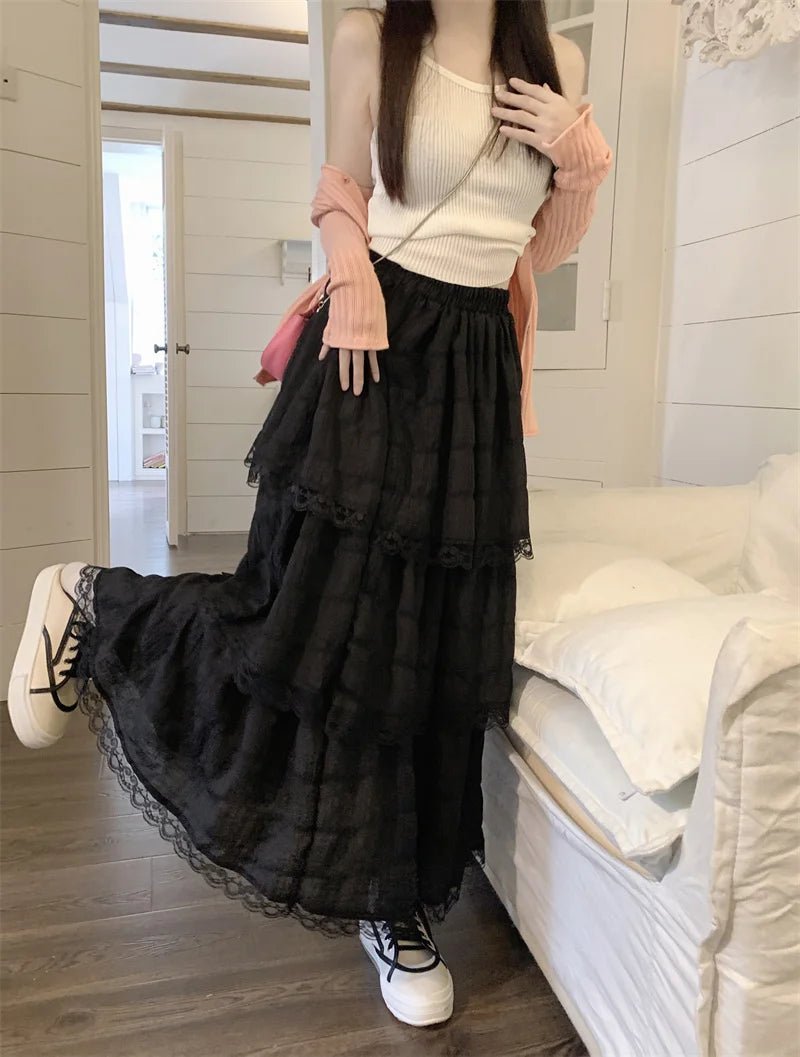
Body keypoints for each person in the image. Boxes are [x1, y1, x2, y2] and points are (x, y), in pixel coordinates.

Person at [7, 0, 610, 1028]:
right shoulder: (372, 35)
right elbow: (339, 188)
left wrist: (580, 162)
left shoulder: (552, 59)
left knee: (434, 648)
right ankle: (95, 602)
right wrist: (351, 271)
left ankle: (398, 902)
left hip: (474, 372)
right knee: (305, 622)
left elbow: (536, 248)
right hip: (370, 347)